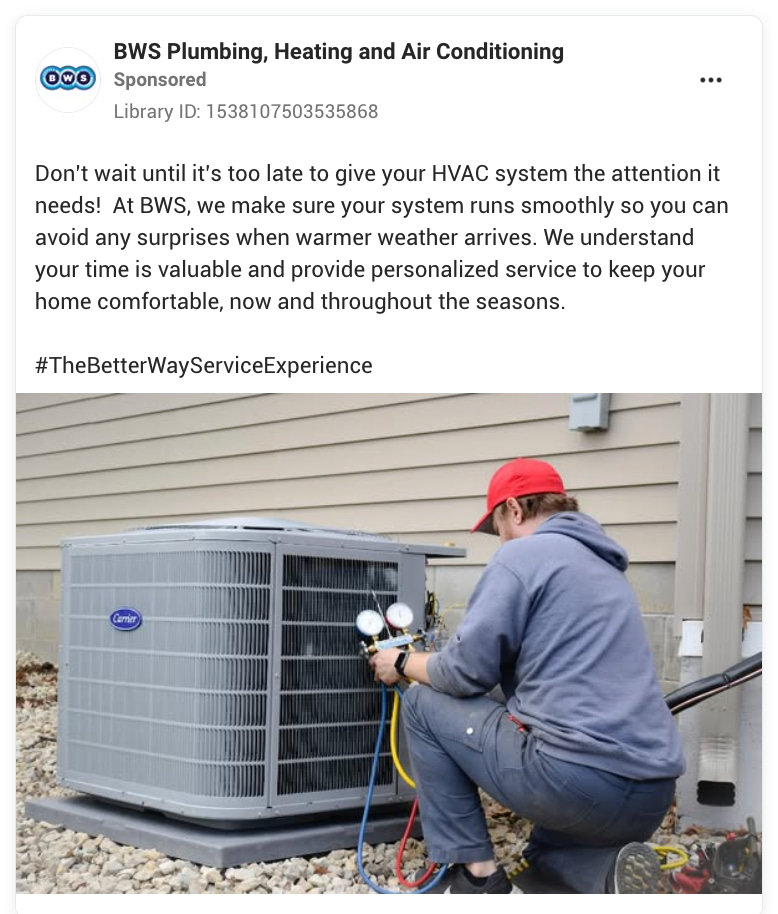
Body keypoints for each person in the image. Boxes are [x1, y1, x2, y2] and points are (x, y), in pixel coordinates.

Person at [370, 457, 685, 894]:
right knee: (544, 855)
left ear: (515, 509)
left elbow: (463, 672)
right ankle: (602, 876)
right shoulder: (604, 566)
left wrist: (404, 663)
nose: (500, 541)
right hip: (649, 796)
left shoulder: (523, 555)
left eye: (498, 527)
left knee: (423, 701)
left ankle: (476, 875)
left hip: (577, 783)